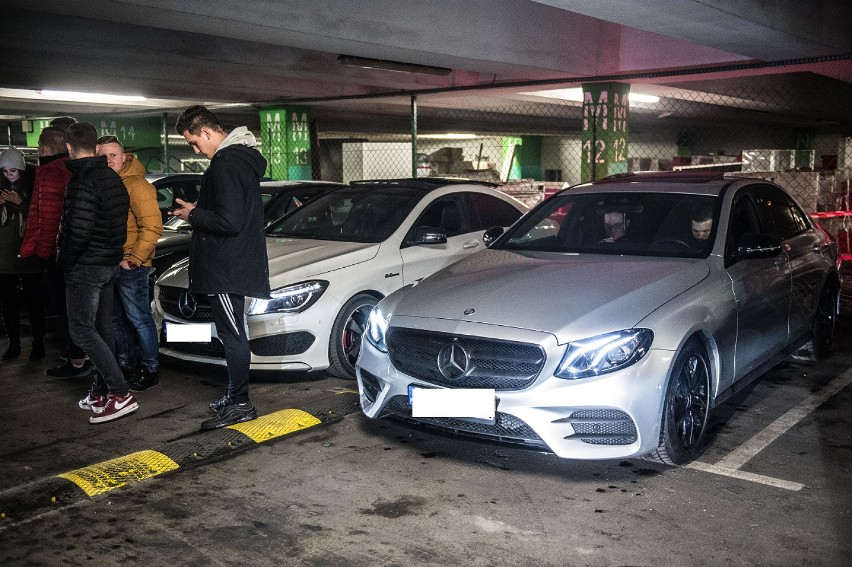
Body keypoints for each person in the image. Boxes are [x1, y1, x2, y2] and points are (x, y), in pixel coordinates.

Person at [172, 105, 270, 430]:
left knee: (233, 336)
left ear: (208, 132)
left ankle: (241, 403)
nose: (196, 150)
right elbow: (232, 211)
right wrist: (201, 209)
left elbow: (229, 220)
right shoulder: (238, 159)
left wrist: (193, 216)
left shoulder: (226, 164)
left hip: (226, 266)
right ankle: (233, 395)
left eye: (194, 143)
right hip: (231, 263)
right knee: (233, 334)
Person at [58, 122, 136, 424]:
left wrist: (65, 260)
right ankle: (101, 391)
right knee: (103, 330)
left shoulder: (82, 181)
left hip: (87, 267)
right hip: (108, 265)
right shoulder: (111, 178)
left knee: (81, 330)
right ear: (93, 146)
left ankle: (120, 393)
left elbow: (77, 231)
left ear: (69, 147)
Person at [20, 127, 92, 378]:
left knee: (65, 309)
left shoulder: (51, 172)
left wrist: (39, 251)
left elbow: (47, 219)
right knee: (75, 309)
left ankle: (77, 359)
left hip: (54, 254)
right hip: (70, 253)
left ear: (44, 148)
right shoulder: (68, 170)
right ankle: (81, 355)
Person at [96, 136, 163, 391]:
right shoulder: (105, 183)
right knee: (115, 320)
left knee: (138, 318)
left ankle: (150, 368)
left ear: (124, 157)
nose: (109, 160)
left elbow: (153, 226)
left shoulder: (137, 185)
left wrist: (133, 259)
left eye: (113, 155)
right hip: (110, 264)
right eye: (103, 156)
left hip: (131, 265)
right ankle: (126, 364)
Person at [0, 148, 45, 360]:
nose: (9, 175)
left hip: (29, 254)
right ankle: (14, 344)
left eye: (13, 170)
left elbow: (40, 216)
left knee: (35, 301)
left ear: (21, 169)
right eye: (5, 171)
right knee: (9, 304)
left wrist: (21, 203)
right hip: (5, 257)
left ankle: (38, 344)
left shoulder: (33, 187)